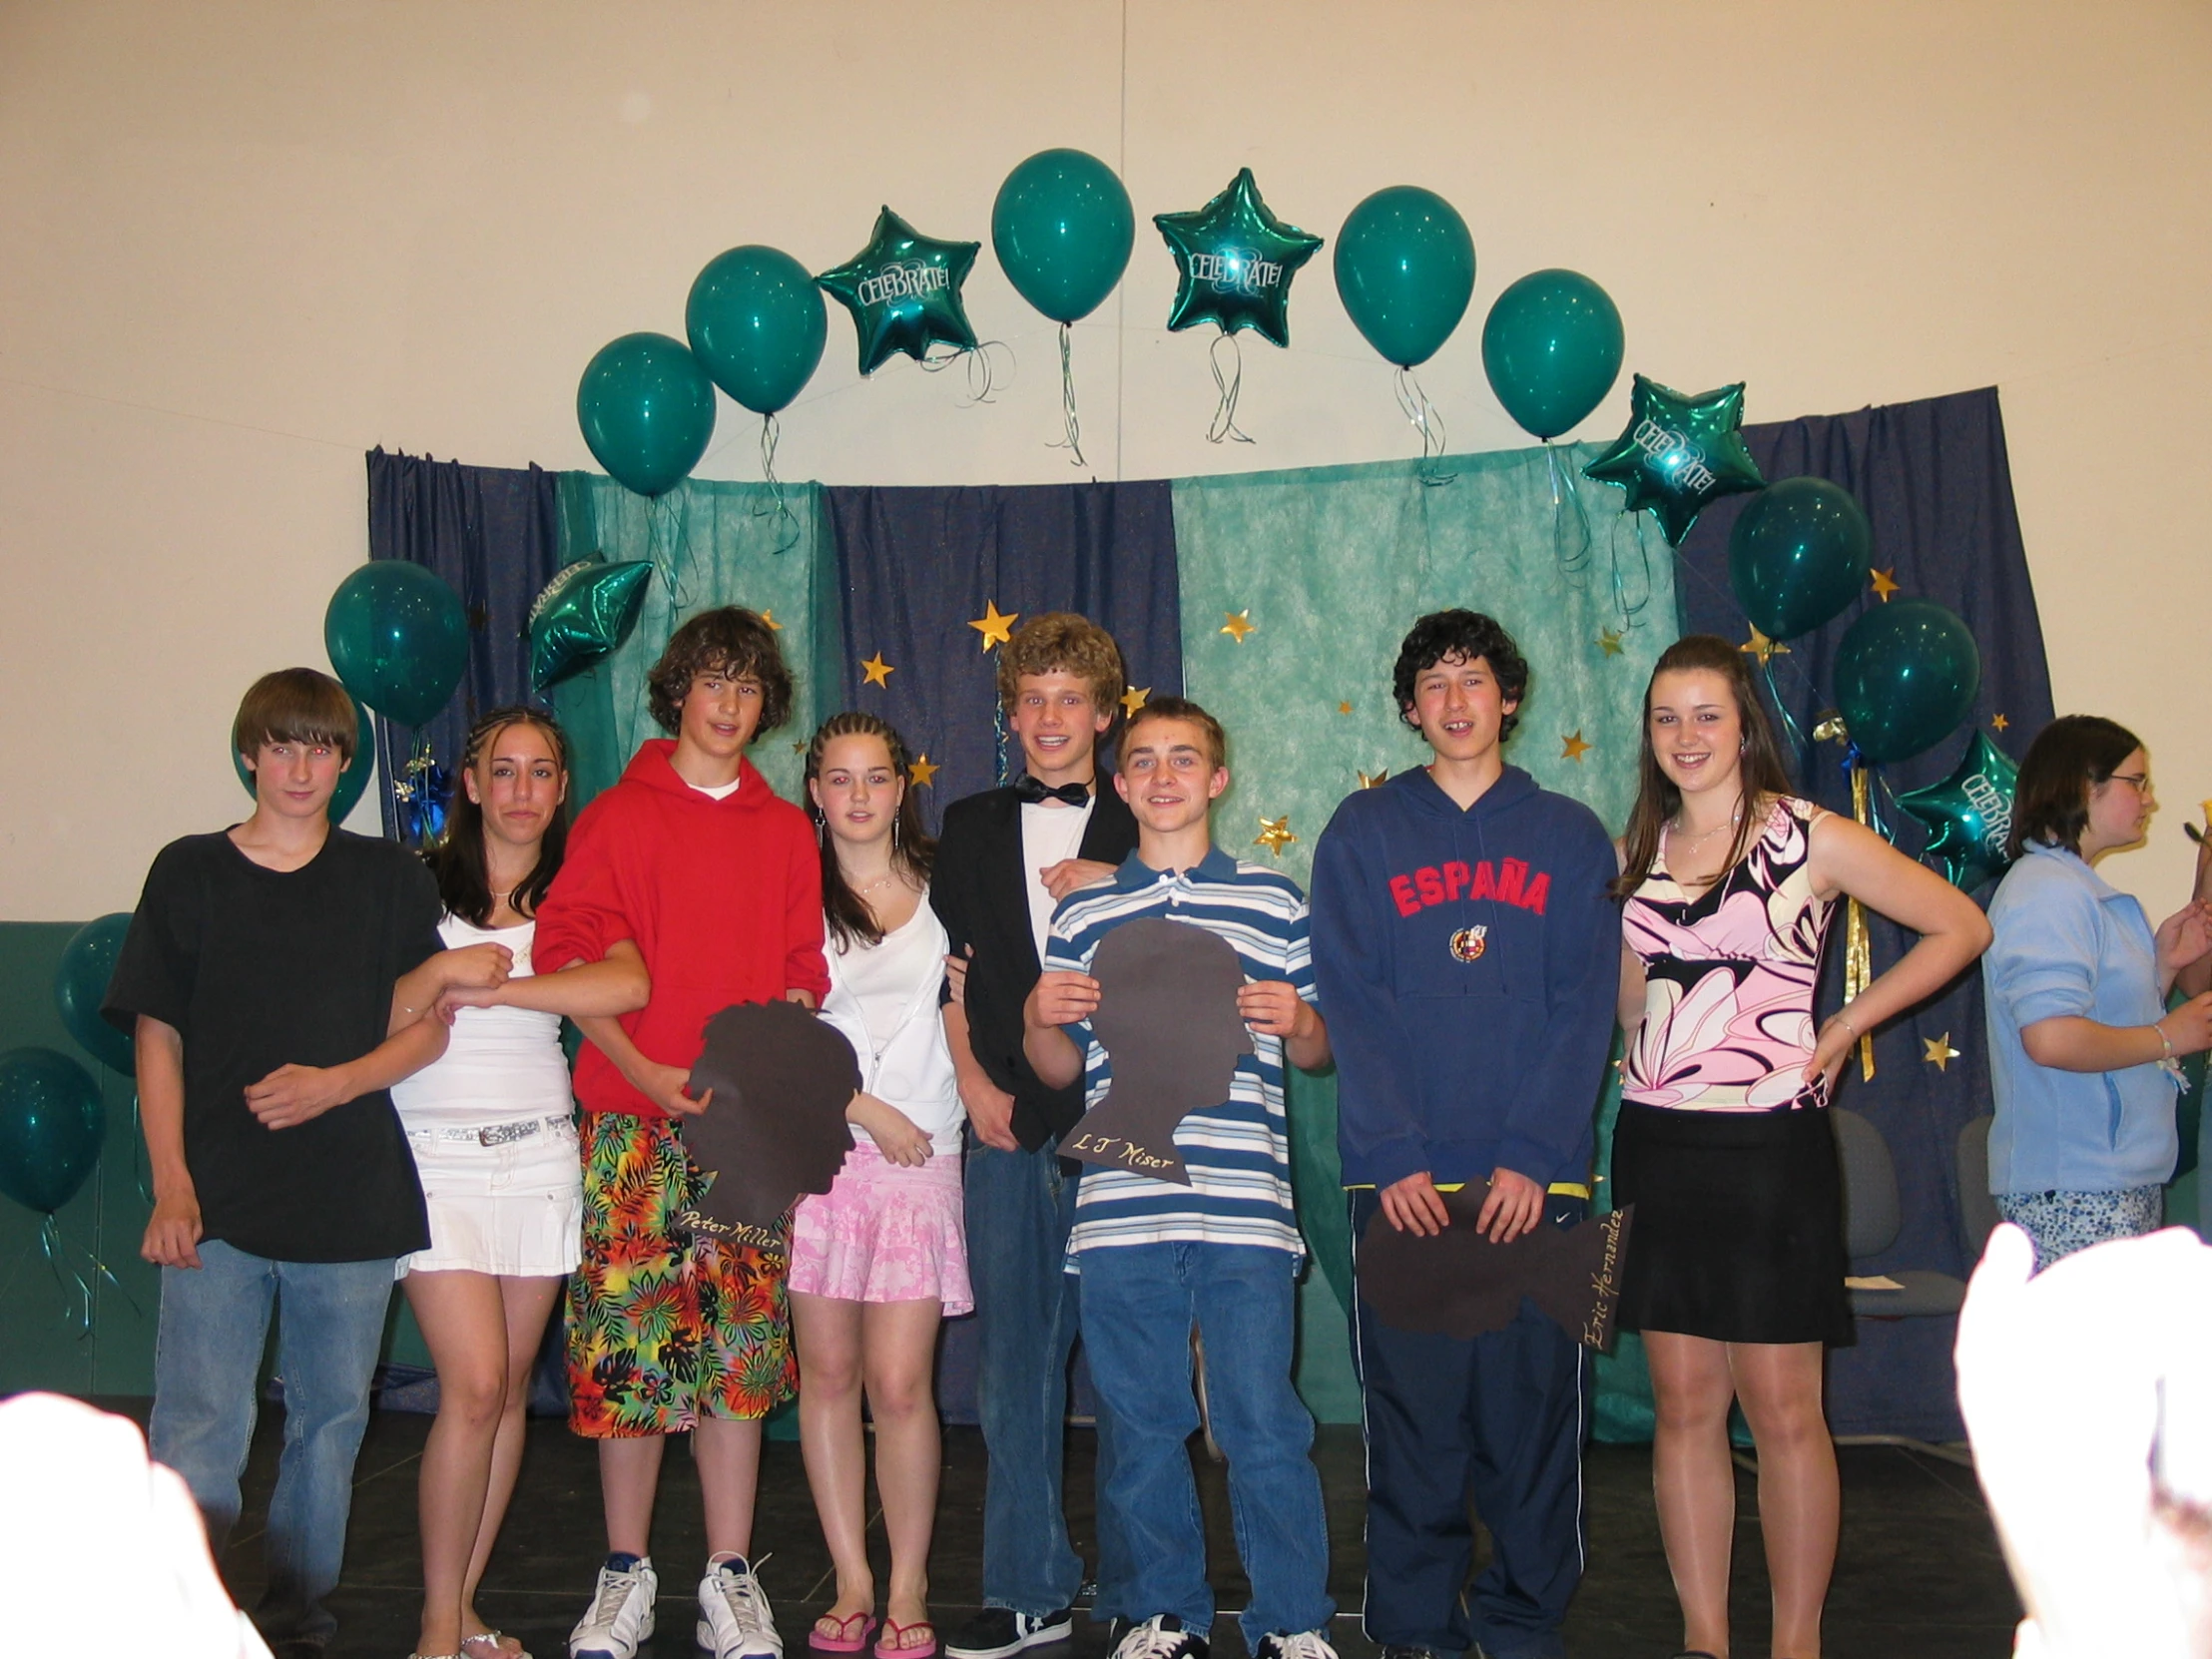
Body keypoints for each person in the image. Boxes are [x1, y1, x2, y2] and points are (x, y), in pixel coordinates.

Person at [102, 666, 508, 1659]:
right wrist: (172, 1184)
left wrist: (337, 1083)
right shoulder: (189, 871)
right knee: (202, 1426)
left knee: (330, 1425)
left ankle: (294, 1620)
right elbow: (158, 1037)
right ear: (248, 753)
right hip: (221, 1202)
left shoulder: (384, 878)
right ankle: (182, 1621)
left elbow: (426, 1029)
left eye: (320, 746)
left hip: (351, 1201)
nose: (299, 766)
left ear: (344, 759)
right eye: (280, 744)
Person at [1611, 633, 1991, 1659]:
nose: (1684, 736)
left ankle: (1793, 1643)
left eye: (1704, 714)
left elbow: (1959, 924)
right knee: (1683, 1407)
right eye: (1664, 717)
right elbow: (1626, 1004)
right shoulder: (1631, 850)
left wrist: (1845, 1025)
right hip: (1655, 1146)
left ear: (1743, 724)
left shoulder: (1804, 835)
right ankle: (1704, 1638)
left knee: (1783, 1411)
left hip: (1768, 1153)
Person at [1309, 611, 1620, 1659]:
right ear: (1408, 708)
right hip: (1403, 1193)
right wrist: (1392, 1152)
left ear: (1508, 698)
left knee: (1534, 1439)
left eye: (1473, 679)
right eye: (1433, 683)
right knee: (1414, 1438)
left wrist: (1533, 1159)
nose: (1454, 700)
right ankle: (1412, 1634)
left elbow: (1585, 1011)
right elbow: (1350, 1001)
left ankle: (1523, 1629)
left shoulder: (1571, 836)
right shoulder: (1362, 832)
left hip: (1547, 1195)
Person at [531, 609, 830, 1659]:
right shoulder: (615, 818)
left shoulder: (786, 830)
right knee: (632, 1357)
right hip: (630, 1126)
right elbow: (568, 963)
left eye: (748, 688)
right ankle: (623, 1572)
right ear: (676, 692)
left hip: (741, 1145)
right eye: (711, 681)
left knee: (737, 1359)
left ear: (765, 705)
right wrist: (641, 1068)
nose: (729, 703)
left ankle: (728, 1573)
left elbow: (803, 969)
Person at [1022, 697, 1338, 1659]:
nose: (1165, 777)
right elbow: (1057, 1069)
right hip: (1120, 1210)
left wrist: (1299, 1021)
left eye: (1185, 759)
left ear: (1218, 778)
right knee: (1144, 1423)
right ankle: (1164, 1614)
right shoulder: (1084, 910)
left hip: (1244, 1208)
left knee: (1261, 1422)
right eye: (1146, 762)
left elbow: (1319, 1054)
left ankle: (1292, 1622)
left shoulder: (1275, 901)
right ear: (1121, 786)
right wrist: (1039, 1014)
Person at [390, 707, 651, 1659]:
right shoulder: (412, 886)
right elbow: (370, 1009)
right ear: (470, 783)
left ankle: (463, 1610)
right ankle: (433, 1627)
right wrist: (440, 969)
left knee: (502, 1400)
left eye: (542, 773)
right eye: (504, 771)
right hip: (434, 1156)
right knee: (473, 1385)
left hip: (541, 1156)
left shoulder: (581, 890)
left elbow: (625, 986)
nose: (523, 791)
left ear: (561, 787)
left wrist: (495, 988)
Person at [929, 614, 1139, 1659]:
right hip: (1006, 1124)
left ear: (1104, 714)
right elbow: (949, 975)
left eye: (1071, 699)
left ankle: (1147, 1583)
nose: (1050, 719)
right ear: (1010, 715)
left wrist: (1126, 883)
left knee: (1130, 1364)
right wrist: (971, 1084)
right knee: (1012, 1367)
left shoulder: (1147, 819)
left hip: (1124, 1128)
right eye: (1032, 699)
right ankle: (1026, 1581)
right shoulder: (965, 825)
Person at [794, 712, 971, 1659]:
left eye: (875, 778)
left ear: (902, 787)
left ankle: (908, 1582)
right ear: (815, 791)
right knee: (826, 1378)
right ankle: (852, 1579)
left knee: (900, 1385)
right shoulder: (794, 894)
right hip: (825, 1161)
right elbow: (776, 1037)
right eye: (838, 779)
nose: (858, 796)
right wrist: (862, 1109)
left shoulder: (952, 886)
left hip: (922, 1161)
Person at [1982, 714, 2212, 1273]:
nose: (2150, 800)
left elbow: (2094, 1017)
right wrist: (2168, 1036)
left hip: (2107, 1179)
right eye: (2137, 782)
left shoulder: (2075, 890)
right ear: (2087, 786)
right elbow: (2052, 1038)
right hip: (2074, 1184)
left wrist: (2160, 967)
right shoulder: (2047, 894)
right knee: (2089, 1360)